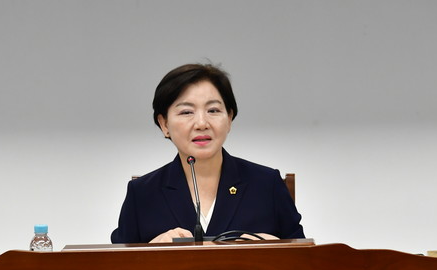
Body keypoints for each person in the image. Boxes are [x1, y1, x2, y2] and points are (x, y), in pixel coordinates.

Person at [110, 63, 304, 244]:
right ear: (164, 124)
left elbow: (304, 260)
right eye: (186, 112)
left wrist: (276, 248)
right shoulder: (142, 194)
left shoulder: (267, 184)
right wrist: (150, 252)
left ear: (229, 118)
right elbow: (117, 265)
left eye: (213, 110)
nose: (202, 123)